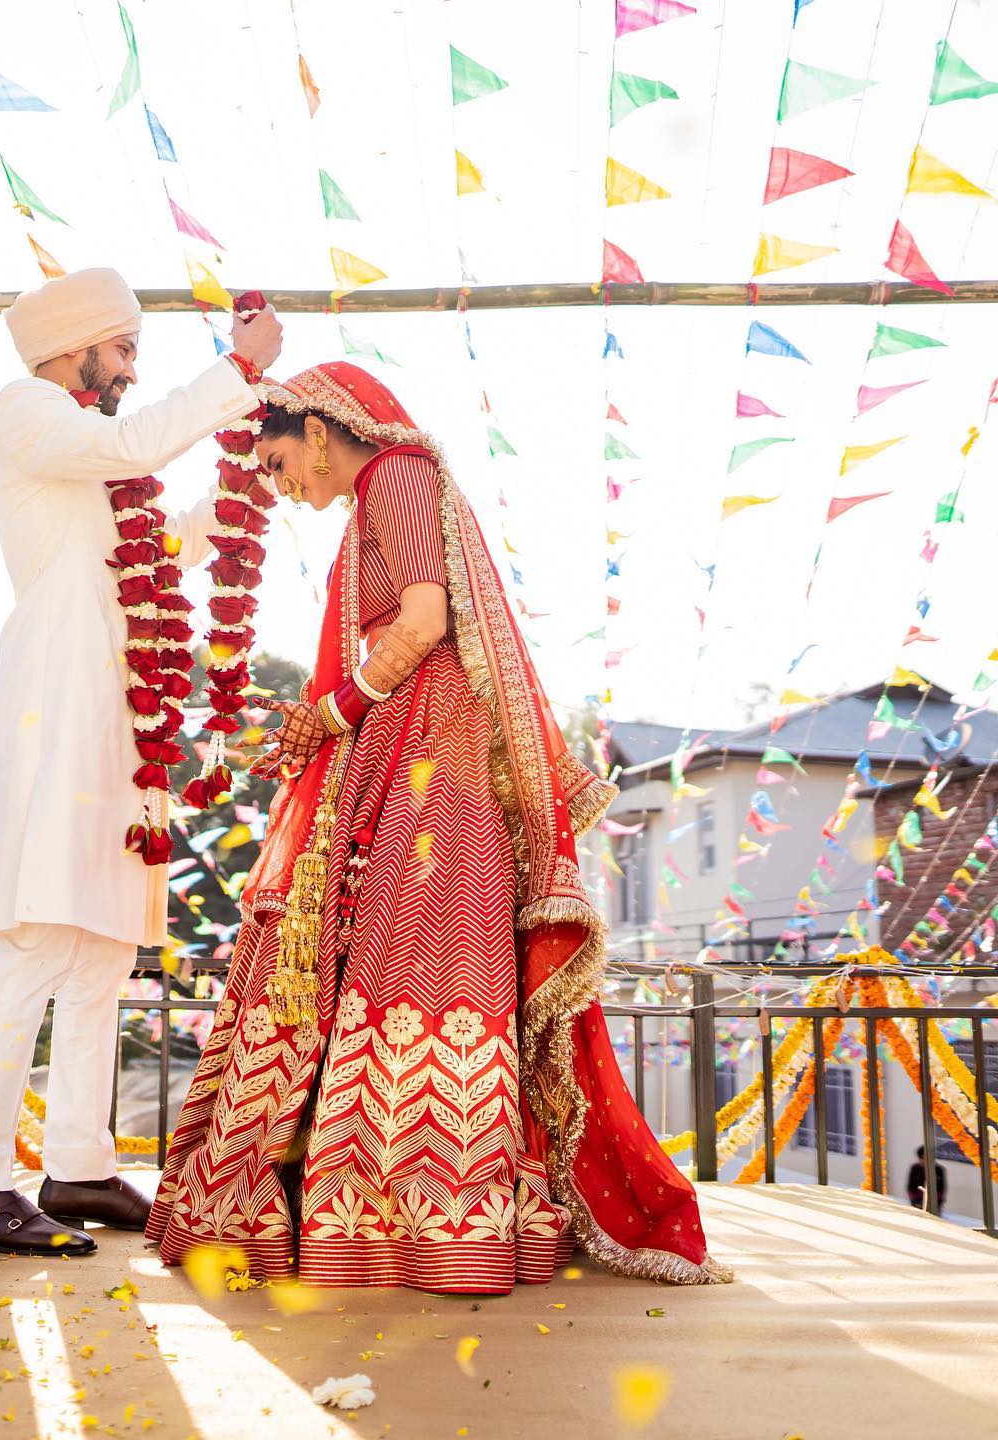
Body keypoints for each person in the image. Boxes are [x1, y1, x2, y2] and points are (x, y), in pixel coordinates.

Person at [146, 362, 731, 1293]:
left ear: (325, 428)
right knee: (370, 955)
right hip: (400, 746)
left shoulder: (399, 476)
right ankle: (365, 1211)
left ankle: (412, 1216)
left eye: (281, 459)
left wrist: (333, 711)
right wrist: (329, 722)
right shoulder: (379, 492)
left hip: (429, 757)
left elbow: (422, 619)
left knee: (413, 958)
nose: (284, 485)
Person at [0, 268, 282, 1257]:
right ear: (77, 346)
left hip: (116, 706)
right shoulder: (27, 408)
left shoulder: (94, 467)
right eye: (123, 350)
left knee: (99, 952)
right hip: (58, 689)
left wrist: (241, 492)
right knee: (43, 936)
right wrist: (237, 369)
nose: (131, 369)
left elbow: (154, 548)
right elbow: (133, 440)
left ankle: (78, 1168)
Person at [906, 1145, 947, 1214]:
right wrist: (916, 1202)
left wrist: (935, 1203)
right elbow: (910, 1188)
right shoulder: (915, 1169)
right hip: (917, 1203)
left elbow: (941, 1190)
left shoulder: (939, 1170)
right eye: (921, 1158)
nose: (923, 1161)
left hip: (934, 1205)